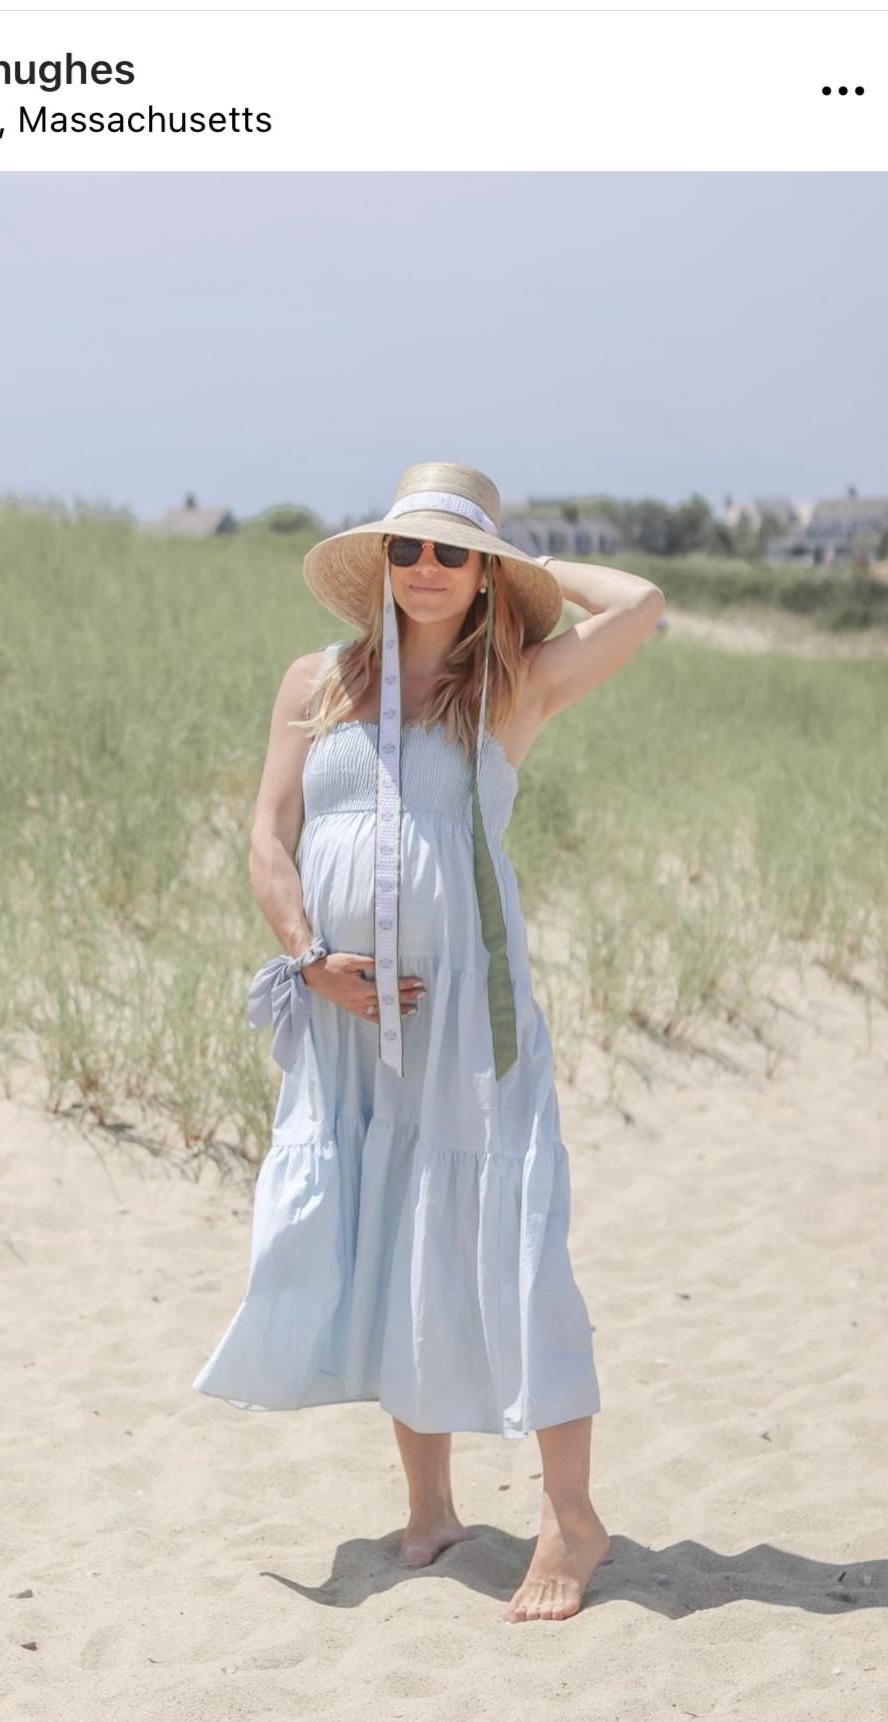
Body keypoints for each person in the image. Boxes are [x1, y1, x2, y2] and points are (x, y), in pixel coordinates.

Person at [193, 462, 665, 1622]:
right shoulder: (317, 681)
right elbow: (267, 831)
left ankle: (571, 1515)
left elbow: (642, 605)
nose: (425, 570)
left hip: (466, 1016)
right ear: (380, 564)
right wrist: (312, 960)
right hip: (348, 1015)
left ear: (484, 572)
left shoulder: (508, 685)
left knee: (512, 1232)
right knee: (396, 1225)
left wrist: (524, 568)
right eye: (406, 548)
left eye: (453, 553)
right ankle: (432, 1507)